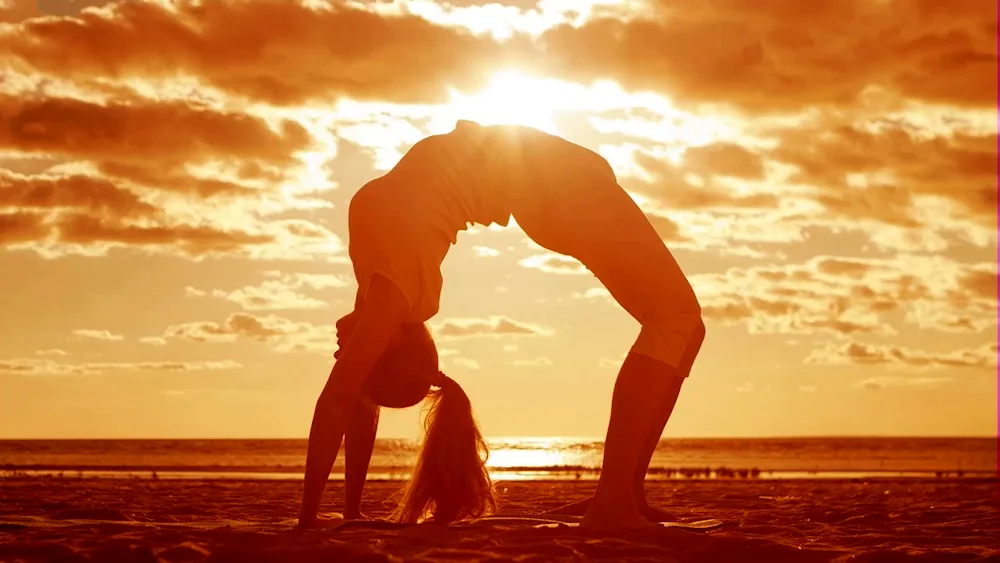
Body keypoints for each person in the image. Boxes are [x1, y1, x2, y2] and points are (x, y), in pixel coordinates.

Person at [297, 120, 705, 530]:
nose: (342, 354)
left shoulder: (381, 279)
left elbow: (348, 396)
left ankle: (626, 492)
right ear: (387, 343)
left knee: (688, 329)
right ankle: (614, 501)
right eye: (358, 356)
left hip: (552, 185)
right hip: (559, 188)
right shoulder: (393, 292)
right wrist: (309, 520)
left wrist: (340, 514)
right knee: (674, 317)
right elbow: (343, 396)